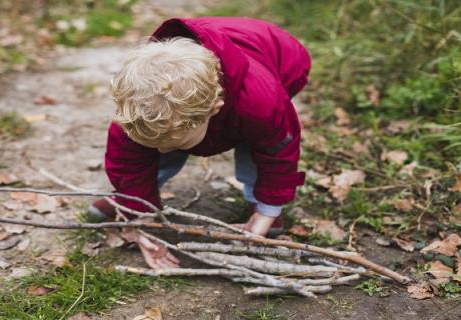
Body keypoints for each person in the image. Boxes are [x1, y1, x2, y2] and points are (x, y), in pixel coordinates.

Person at [89, 17, 311, 269]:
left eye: (172, 143)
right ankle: (138, 200)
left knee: (258, 144)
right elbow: (128, 163)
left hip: (282, 62)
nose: (161, 152)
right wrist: (136, 214)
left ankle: (261, 206)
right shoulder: (138, 111)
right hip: (217, 101)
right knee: (157, 143)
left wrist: (268, 210)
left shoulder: (262, 104)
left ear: (214, 109)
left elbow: (279, 150)